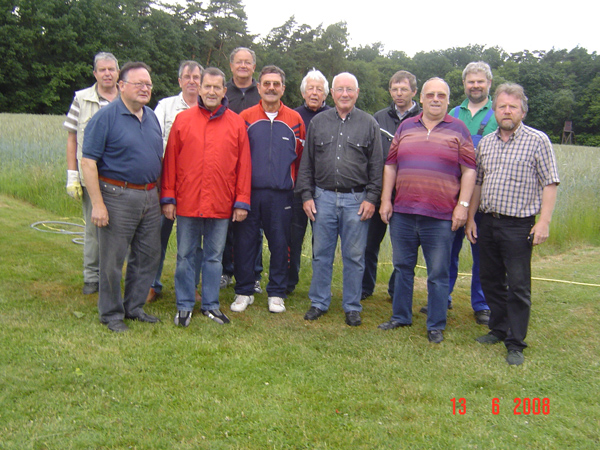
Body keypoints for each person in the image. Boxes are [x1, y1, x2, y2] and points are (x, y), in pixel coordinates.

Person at [466, 83, 559, 365]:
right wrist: (471, 218)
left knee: (518, 286)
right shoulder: (486, 143)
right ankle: (498, 328)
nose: (507, 111)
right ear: (495, 110)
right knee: (490, 280)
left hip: (519, 226)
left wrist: (544, 222)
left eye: (513, 107)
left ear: (523, 111)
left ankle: (516, 342)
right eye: (502, 106)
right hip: (488, 222)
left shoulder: (538, 140)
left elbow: (550, 182)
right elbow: (478, 184)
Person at [378, 78, 476, 343]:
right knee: (402, 267)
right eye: (430, 94)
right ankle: (400, 316)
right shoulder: (406, 127)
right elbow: (391, 165)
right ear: (421, 98)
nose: (435, 99)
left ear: (448, 100)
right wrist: (386, 200)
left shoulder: (459, 129)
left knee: (438, 272)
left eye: (441, 95)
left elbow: (469, 170)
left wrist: (463, 206)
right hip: (403, 212)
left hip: (441, 216)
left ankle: (435, 324)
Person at [161, 67, 252, 327]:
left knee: (214, 257)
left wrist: (241, 200)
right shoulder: (183, 120)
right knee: (185, 255)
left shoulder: (236, 123)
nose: (211, 92)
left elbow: (244, 165)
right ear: (199, 89)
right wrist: (168, 197)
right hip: (188, 201)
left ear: (224, 91)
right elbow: (170, 162)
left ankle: (211, 305)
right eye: (207, 86)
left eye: (216, 87)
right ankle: (184, 305)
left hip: (221, 202)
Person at [81, 62, 163, 333]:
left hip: (149, 196)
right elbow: (88, 162)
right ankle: (111, 314)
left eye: (148, 84)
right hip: (116, 196)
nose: (145, 88)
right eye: (139, 83)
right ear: (122, 86)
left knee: (147, 256)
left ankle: (134, 307)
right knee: (112, 260)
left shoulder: (151, 116)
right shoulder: (105, 117)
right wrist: (98, 204)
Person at [296, 72, 383, 327]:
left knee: (354, 256)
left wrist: (372, 198)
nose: (345, 94)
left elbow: (377, 165)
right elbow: (306, 164)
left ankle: (352, 306)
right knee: (321, 254)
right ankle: (319, 302)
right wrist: (306, 195)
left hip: (357, 200)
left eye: (349, 89)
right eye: (340, 89)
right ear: (332, 93)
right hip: (322, 198)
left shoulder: (369, 123)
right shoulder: (318, 122)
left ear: (357, 93)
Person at [420, 61, 497, 325]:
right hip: (453, 196)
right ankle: (443, 296)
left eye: (480, 81)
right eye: (471, 81)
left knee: (481, 253)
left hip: (486, 196)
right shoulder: (452, 112)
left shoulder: (497, 114)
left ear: (489, 84)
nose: (475, 86)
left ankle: (482, 304)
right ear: (464, 84)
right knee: (447, 253)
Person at [230, 65, 305, 314]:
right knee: (245, 243)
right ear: (259, 87)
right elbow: (237, 157)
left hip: (282, 195)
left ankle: (277, 292)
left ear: (283, 88)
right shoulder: (245, 117)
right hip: (249, 193)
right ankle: (244, 290)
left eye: (276, 84)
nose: (271, 88)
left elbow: (299, 158)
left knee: (280, 244)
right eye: (266, 84)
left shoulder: (295, 120)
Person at [146, 60, 203, 304]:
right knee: (156, 236)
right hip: (165, 181)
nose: (192, 81)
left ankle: (191, 286)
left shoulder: (209, 108)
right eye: (187, 77)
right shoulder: (165, 106)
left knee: (193, 241)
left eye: (196, 77)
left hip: (196, 186)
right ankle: (151, 284)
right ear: (179, 81)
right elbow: (153, 140)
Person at [362, 70, 421, 301]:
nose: (399, 93)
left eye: (404, 89)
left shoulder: (422, 119)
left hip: (407, 195)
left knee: (403, 249)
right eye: (395, 89)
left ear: (414, 91)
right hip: (378, 192)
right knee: (369, 244)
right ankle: (365, 287)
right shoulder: (378, 118)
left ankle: (397, 291)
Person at [63, 52, 119, 295]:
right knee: (94, 230)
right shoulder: (81, 99)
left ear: (118, 73)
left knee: (119, 230)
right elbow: (72, 138)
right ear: (95, 73)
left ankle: (113, 277)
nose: (107, 74)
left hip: (119, 177)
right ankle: (92, 277)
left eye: (111, 69)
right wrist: (72, 175)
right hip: (91, 176)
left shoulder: (127, 97)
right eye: (102, 70)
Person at [221, 47, 263, 293]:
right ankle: (226, 270)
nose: (243, 66)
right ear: (231, 65)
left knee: (253, 226)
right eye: (239, 62)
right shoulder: (223, 92)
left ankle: (254, 273)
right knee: (225, 223)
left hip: (254, 168)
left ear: (254, 67)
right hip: (226, 167)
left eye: (248, 62)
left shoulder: (262, 92)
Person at [287, 68, 331, 294]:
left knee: (322, 242)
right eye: (310, 89)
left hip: (324, 190)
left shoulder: (333, 117)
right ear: (303, 92)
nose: (314, 93)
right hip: (295, 190)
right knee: (293, 238)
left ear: (326, 94)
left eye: (319, 89)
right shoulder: (293, 117)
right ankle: (288, 282)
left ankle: (320, 285)